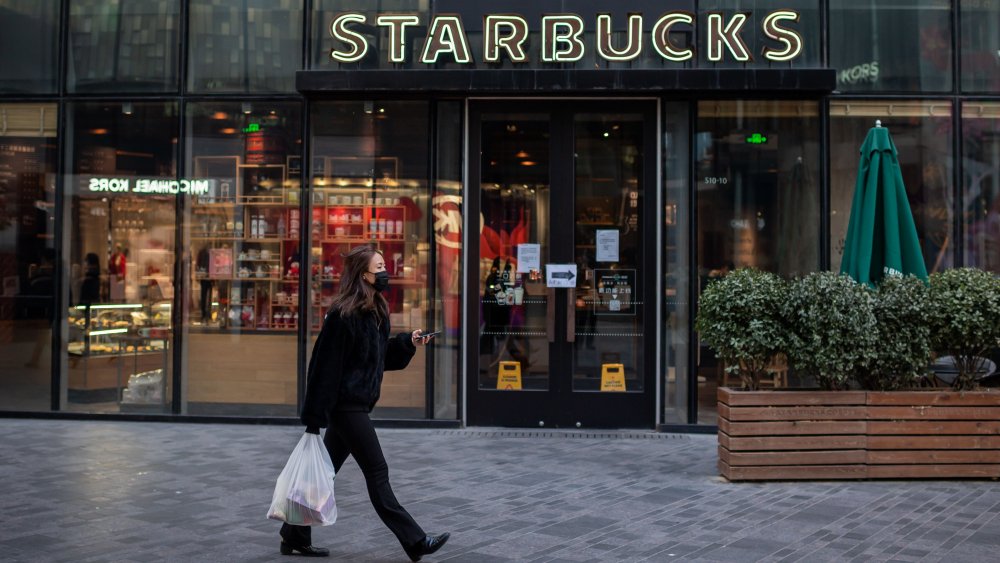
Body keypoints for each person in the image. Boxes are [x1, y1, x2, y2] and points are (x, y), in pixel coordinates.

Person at [279, 245, 450, 561]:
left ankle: (293, 534)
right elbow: (323, 367)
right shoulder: (343, 315)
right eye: (380, 267)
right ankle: (415, 541)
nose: (386, 272)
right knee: (377, 471)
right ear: (364, 274)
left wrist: (407, 344)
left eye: (385, 265)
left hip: (356, 403)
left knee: (325, 472)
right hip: (345, 406)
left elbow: (376, 357)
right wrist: (315, 418)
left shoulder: (376, 309)